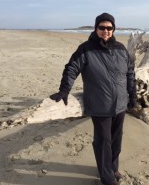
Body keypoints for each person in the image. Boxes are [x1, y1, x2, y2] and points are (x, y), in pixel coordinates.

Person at [50, 12, 136, 185]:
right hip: (99, 104)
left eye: (109, 28)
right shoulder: (86, 49)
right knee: (103, 141)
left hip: (120, 104)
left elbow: (130, 73)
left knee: (116, 140)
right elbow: (72, 68)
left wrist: (132, 95)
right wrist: (64, 89)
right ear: (96, 28)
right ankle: (107, 177)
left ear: (113, 29)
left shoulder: (120, 49)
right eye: (102, 27)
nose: (106, 31)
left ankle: (112, 168)